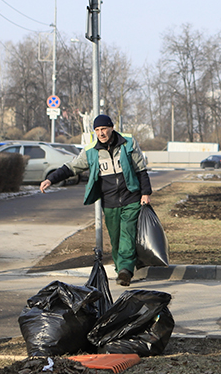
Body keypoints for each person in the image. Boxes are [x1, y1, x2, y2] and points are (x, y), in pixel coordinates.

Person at [40, 114, 151, 286]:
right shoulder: (91, 150)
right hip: (110, 201)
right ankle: (121, 269)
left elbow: (141, 169)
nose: (101, 133)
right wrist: (51, 179)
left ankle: (126, 270)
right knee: (115, 238)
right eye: (98, 130)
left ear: (111, 128)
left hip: (131, 197)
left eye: (104, 129)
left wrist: (145, 193)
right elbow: (72, 167)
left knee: (127, 233)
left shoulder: (128, 142)